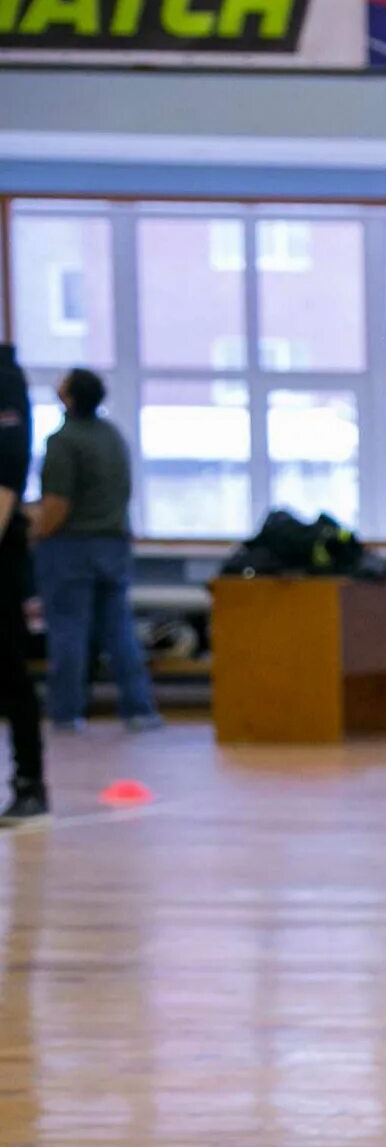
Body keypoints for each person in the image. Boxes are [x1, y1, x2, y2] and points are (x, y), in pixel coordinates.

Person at [28, 369, 162, 735]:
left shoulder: (63, 441)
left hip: (70, 548)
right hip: (114, 543)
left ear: (68, 397)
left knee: (69, 631)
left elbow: (56, 505)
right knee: (118, 629)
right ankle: (140, 709)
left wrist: (34, 533)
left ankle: (66, 714)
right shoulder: (112, 436)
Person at [0, 343, 43, 820]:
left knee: (10, 669)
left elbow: (7, 479)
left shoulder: (5, 378)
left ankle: (30, 782)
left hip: (4, 557)